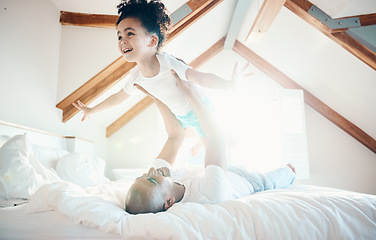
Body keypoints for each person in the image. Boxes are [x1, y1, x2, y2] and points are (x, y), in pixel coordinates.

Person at [72, 0, 252, 153]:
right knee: (188, 133)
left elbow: (199, 77)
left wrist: (228, 85)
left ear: (152, 41)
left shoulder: (167, 62)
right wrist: (92, 110)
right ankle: (198, 137)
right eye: (119, 36)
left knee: (212, 151)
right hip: (182, 116)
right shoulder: (136, 77)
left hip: (200, 110)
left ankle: (221, 135)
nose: (122, 40)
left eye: (129, 33)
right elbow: (119, 97)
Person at [125, 71, 296, 214]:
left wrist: (155, 97)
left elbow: (175, 136)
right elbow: (215, 135)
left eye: (142, 176)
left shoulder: (160, 178)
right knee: (286, 173)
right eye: (152, 180)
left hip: (220, 170)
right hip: (251, 181)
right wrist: (191, 93)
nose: (151, 171)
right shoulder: (209, 193)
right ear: (168, 202)